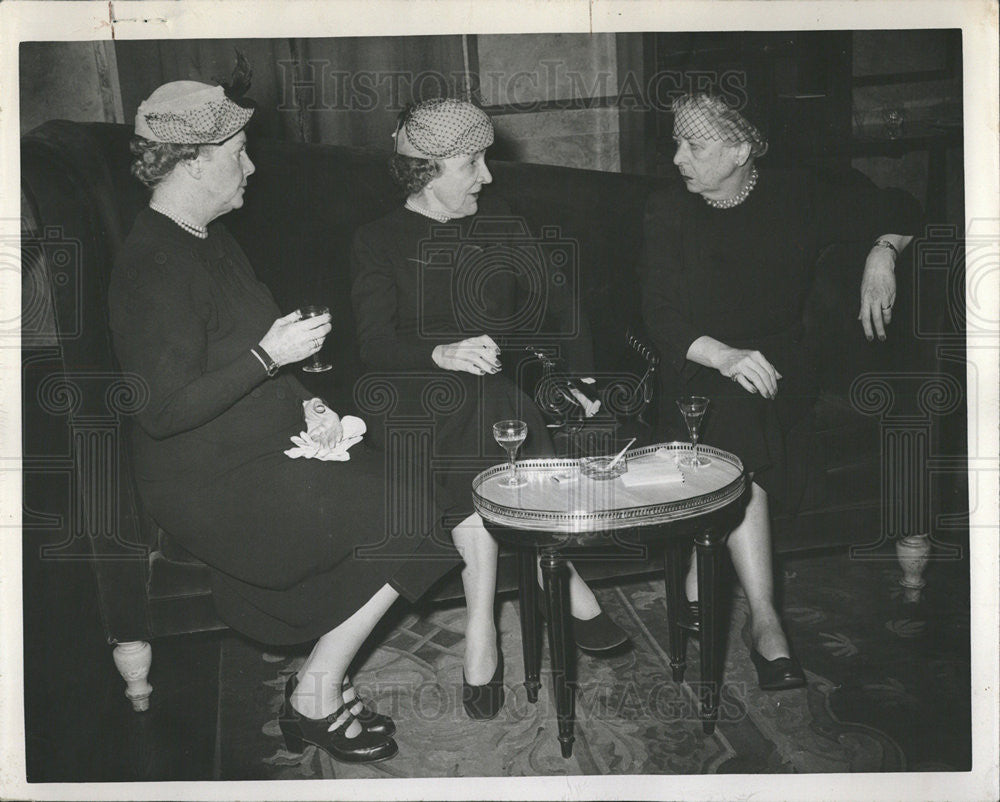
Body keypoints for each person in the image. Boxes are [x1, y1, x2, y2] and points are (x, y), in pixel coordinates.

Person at [108, 80, 504, 764]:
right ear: (196, 159)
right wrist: (270, 356)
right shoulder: (152, 263)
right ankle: (316, 694)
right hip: (207, 479)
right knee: (406, 516)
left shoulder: (210, 238)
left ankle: (315, 683)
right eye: (238, 151)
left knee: (422, 490)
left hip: (259, 445)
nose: (252, 166)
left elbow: (245, 362)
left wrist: (310, 406)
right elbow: (162, 410)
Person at [638, 92, 920, 690]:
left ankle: (707, 562)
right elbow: (659, 316)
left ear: (741, 149)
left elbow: (899, 205)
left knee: (750, 410)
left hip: (781, 371)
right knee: (738, 419)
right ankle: (767, 623)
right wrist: (724, 355)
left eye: (695, 144)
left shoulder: (795, 194)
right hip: (697, 366)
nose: (678, 157)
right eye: (676, 142)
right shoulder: (667, 209)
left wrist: (881, 253)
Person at [350, 98, 631, 681]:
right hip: (411, 394)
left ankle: (481, 632)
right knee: (488, 404)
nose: (488, 175)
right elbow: (374, 346)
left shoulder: (501, 223)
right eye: (473, 163)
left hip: (491, 399)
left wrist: (578, 375)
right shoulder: (376, 240)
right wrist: (439, 352)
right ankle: (553, 577)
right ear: (426, 170)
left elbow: (561, 307)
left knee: (491, 404)